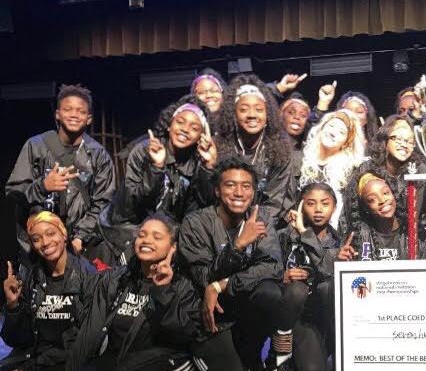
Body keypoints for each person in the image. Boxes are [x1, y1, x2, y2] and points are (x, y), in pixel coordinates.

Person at [44, 213, 202, 371]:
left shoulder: (184, 283)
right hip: (119, 357)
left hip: (165, 359)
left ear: (172, 247)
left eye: (157, 237)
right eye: (142, 235)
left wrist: (162, 291)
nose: (146, 240)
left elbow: (184, 334)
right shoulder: (115, 279)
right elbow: (90, 332)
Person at [178, 157, 289, 371]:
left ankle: (255, 355)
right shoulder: (195, 223)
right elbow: (202, 277)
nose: (239, 192)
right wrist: (238, 246)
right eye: (230, 185)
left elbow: (272, 267)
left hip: (241, 303)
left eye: (246, 186)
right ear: (217, 191)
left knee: (270, 292)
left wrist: (222, 284)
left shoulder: (262, 218)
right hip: (210, 312)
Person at [0, 213, 98, 371]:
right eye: (36, 239)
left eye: (50, 233)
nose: (45, 243)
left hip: (69, 363)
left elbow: (84, 339)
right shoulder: (33, 276)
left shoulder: (88, 277)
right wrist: (13, 306)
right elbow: (19, 339)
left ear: (63, 234)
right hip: (35, 359)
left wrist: (33, 366)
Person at [97, 98, 217, 266]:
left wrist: (209, 166)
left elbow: (201, 209)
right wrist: (156, 167)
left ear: (201, 136)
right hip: (128, 230)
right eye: (180, 122)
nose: (185, 129)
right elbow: (130, 206)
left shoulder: (199, 161)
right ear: (169, 125)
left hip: (167, 237)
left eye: (194, 128)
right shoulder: (145, 150)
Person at [6, 84, 115, 262]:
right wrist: (42, 186)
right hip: (38, 249)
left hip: (81, 250)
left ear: (89, 118)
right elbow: (13, 194)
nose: (74, 114)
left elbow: (104, 203)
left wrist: (80, 238)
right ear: (57, 114)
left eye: (80, 111)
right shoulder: (36, 146)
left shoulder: (98, 154)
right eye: (68, 109)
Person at [276, 183, 341, 371]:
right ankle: (279, 355)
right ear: (301, 206)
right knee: (296, 290)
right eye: (311, 204)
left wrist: (305, 232)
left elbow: (328, 271)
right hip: (294, 315)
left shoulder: (339, 241)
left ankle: (335, 356)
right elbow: (267, 269)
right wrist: (282, 275)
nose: (319, 209)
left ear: (334, 207)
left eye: (325, 203)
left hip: (323, 317)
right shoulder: (284, 236)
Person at [215, 74, 294, 227]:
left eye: (259, 109)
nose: (252, 115)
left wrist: (251, 227)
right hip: (223, 223)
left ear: (267, 116)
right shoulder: (218, 146)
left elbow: (275, 201)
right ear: (234, 115)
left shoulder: (281, 149)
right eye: (244, 109)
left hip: (263, 225)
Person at [344, 116, 426, 232]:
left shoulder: (419, 170)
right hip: (371, 236)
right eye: (398, 138)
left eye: (409, 140)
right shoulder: (366, 169)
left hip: (407, 238)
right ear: (385, 139)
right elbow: (351, 210)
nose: (404, 144)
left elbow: (420, 215)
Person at [298, 110, 367, 228]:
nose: (333, 133)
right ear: (322, 128)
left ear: (346, 143)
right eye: (331, 126)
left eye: (341, 132)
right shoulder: (299, 160)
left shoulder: (350, 172)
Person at [338, 172, 407, 262]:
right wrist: (340, 261)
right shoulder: (358, 238)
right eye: (372, 200)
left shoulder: (411, 233)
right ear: (365, 208)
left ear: (394, 195)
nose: (382, 200)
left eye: (385, 193)